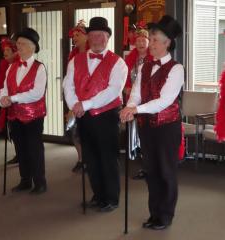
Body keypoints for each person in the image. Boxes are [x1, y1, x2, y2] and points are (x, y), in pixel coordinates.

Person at [120, 15, 184, 230]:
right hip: (147, 127)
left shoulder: (176, 69)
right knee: (151, 172)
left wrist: (135, 109)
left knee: (166, 172)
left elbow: (164, 101)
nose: (151, 43)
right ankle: (154, 213)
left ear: (167, 43)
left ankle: (165, 215)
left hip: (167, 128)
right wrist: (130, 106)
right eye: (152, 38)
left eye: (155, 39)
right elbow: (136, 93)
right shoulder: (145, 66)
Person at [64, 17, 127, 212]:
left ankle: (111, 198)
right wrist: (74, 104)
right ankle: (98, 195)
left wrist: (86, 104)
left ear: (107, 37)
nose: (96, 38)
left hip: (107, 116)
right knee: (90, 158)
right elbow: (68, 84)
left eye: (100, 35)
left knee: (107, 158)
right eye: (92, 35)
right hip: (84, 116)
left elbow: (113, 90)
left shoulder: (118, 63)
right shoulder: (76, 60)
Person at [0, 27, 47, 194]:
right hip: (14, 115)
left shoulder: (39, 67)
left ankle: (40, 181)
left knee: (34, 148)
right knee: (21, 148)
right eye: (17, 43)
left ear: (32, 47)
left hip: (33, 115)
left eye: (22, 43)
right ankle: (25, 180)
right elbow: (4, 87)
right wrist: (3, 98)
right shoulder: (11, 67)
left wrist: (12, 98)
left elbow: (36, 93)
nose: (18, 46)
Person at [124, 22, 153, 180]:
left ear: (149, 42)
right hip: (133, 101)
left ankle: (149, 166)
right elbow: (124, 77)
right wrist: (127, 87)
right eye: (138, 40)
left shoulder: (153, 58)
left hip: (148, 102)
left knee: (147, 134)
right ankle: (143, 165)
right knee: (137, 134)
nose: (141, 43)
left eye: (144, 40)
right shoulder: (130, 58)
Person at [66, 20, 89, 172]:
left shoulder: (91, 53)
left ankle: (89, 159)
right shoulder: (73, 56)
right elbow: (69, 79)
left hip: (89, 98)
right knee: (73, 131)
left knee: (88, 132)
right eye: (73, 36)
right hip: (75, 96)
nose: (74, 38)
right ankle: (81, 159)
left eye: (78, 35)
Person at [0, 37, 19, 165]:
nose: (5, 52)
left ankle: (23, 154)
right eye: (4, 50)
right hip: (7, 101)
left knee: (18, 131)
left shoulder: (18, 65)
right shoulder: (5, 65)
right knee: (12, 129)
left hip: (18, 102)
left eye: (8, 50)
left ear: (15, 52)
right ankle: (18, 153)